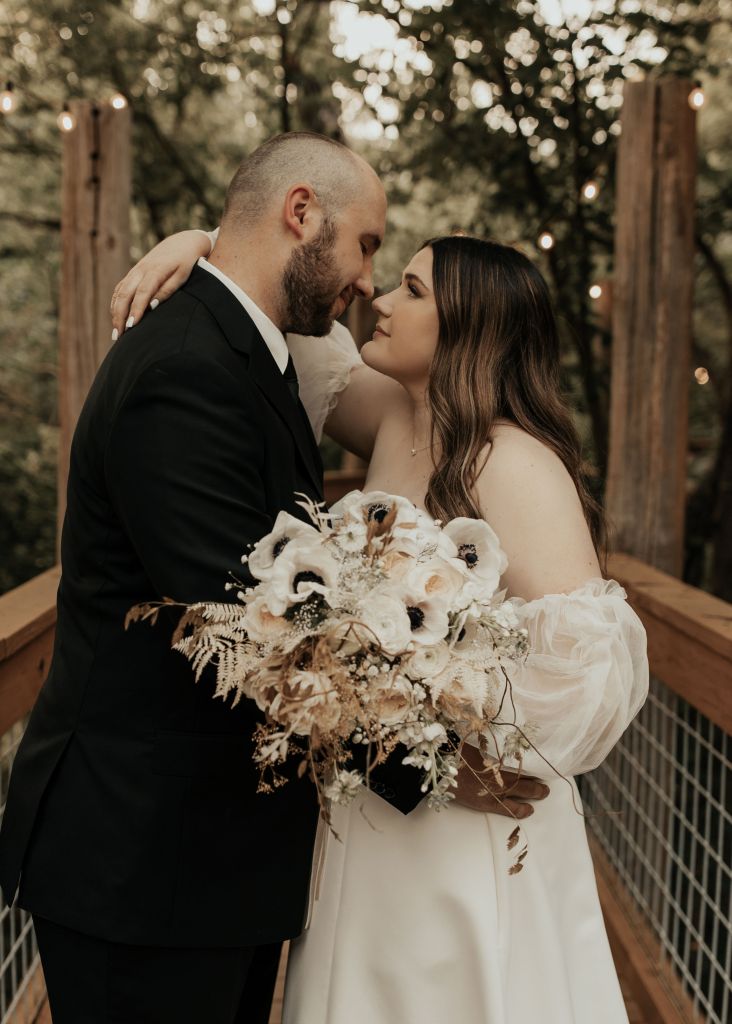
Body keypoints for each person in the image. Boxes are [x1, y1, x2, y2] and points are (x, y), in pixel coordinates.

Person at [110, 226, 649, 1022]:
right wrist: (209, 240)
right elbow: (287, 316)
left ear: (470, 329)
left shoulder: (515, 463)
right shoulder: (394, 415)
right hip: (372, 801)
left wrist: (448, 729)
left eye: (413, 290)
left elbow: (591, 668)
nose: (381, 299)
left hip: (464, 816)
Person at [0, 132, 472, 1024]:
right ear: (301, 213)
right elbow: (253, 627)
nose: (367, 279)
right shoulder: (185, 367)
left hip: (209, 863)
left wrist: (205, 238)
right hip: (142, 867)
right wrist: (434, 775)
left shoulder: (251, 351)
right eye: (367, 244)